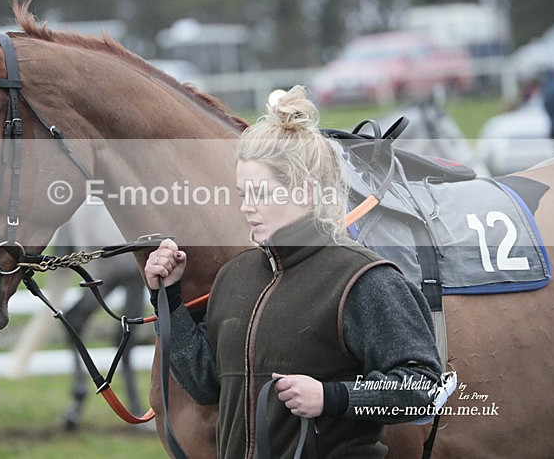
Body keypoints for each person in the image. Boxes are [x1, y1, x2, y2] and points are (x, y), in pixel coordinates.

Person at [144, 86, 443, 457]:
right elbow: (206, 386)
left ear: (304, 192)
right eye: (243, 195)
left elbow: (424, 391)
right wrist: (168, 297)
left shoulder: (365, 279)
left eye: (261, 194)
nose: (248, 208)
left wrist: (331, 397)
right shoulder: (234, 277)